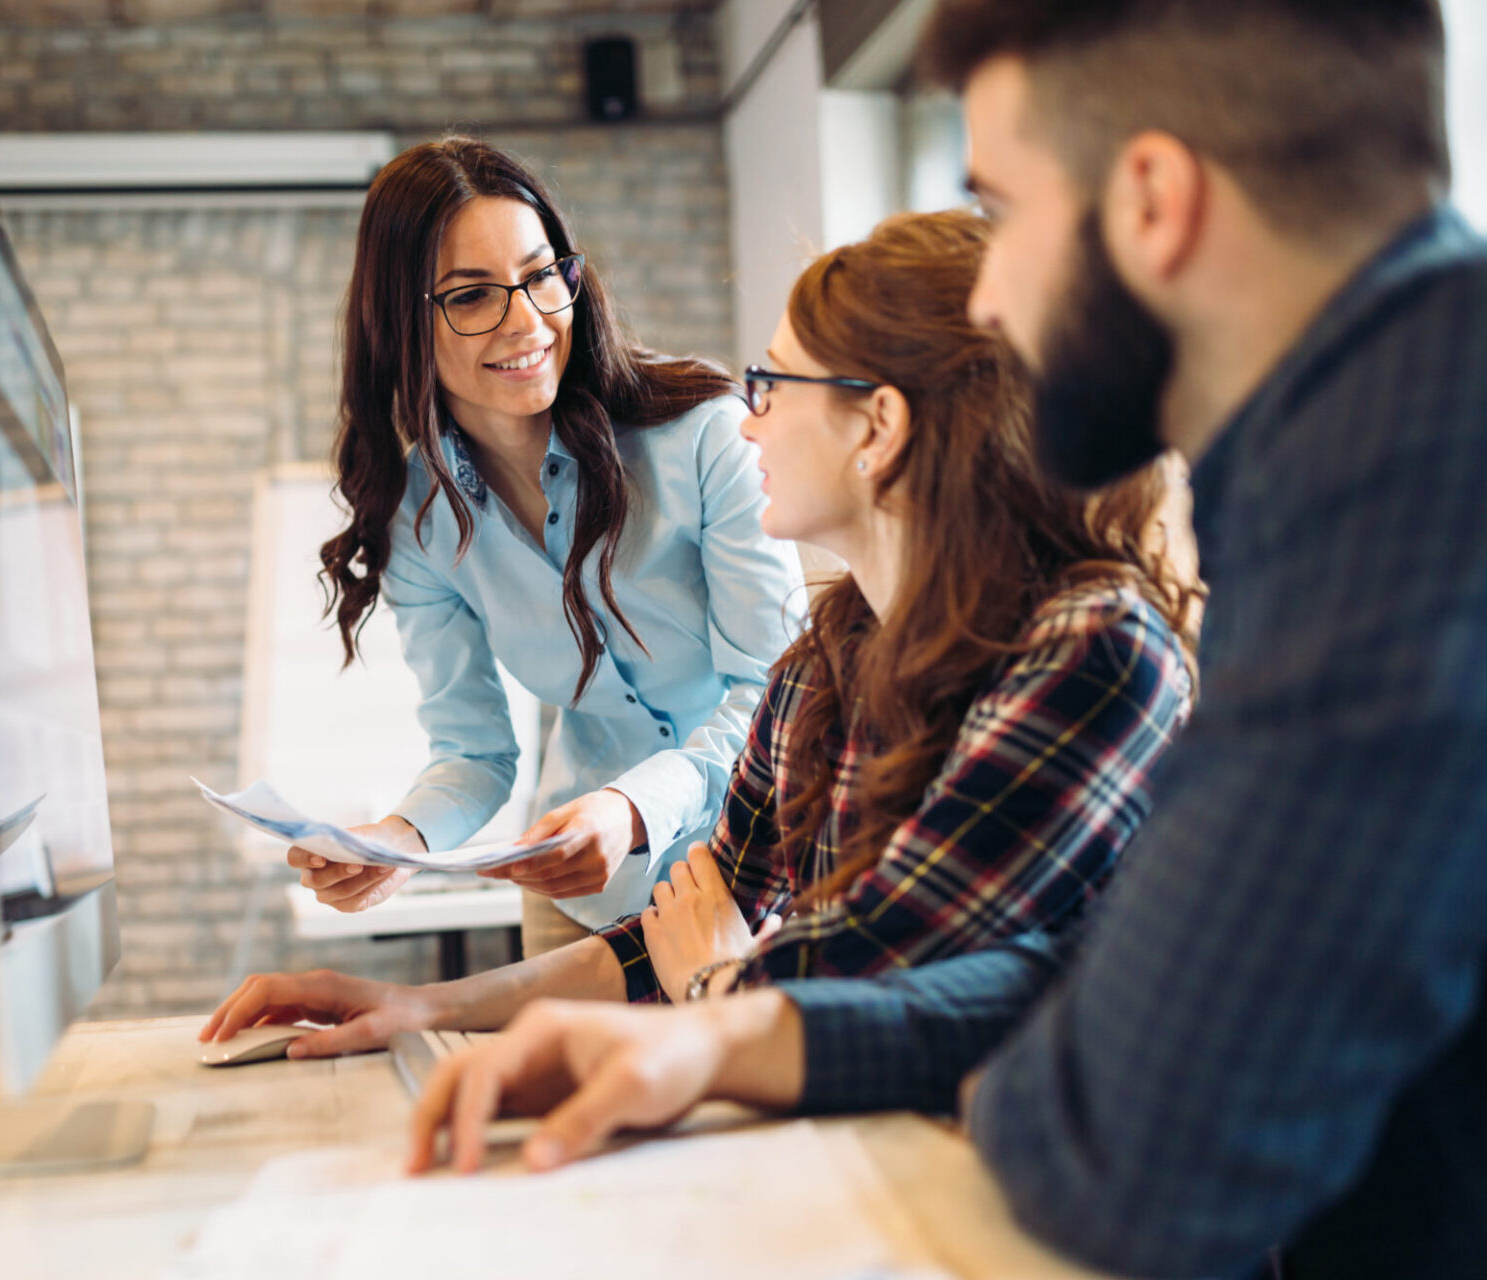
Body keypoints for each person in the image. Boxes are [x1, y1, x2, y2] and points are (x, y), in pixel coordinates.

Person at [408, 3, 1487, 1278]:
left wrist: (742, 1003)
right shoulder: (1353, 456)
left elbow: (1133, 1144)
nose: (992, 295)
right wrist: (727, 1032)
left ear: (1152, 199)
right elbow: (1076, 983)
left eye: (1008, 210)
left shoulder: (1411, 494)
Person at [204, 210, 1196, 1055]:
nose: (747, 418)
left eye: (775, 385)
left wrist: (719, 981)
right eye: (471, 294)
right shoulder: (829, 658)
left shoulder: (1094, 647)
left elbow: (871, 978)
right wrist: (417, 1004)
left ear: (878, 427)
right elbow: (705, 928)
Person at [286, 136, 807, 956]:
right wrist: (402, 840)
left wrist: (633, 808)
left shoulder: (704, 435)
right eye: (471, 296)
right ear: (400, 322)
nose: (527, 321)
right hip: (586, 905)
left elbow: (777, 696)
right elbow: (474, 750)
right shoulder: (420, 519)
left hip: (763, 884)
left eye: (540, 276)